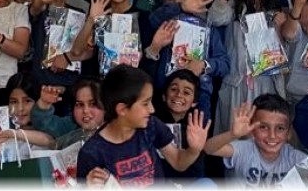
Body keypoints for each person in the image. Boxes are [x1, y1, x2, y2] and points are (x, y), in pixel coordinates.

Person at [207, 0, 303, 133]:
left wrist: (297, 6)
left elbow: (291, 36)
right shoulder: (234, 7)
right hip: (238, 86)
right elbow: (215, 18)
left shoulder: (276, 11)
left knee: (266, 138)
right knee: (235, 144)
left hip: (268, 85)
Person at [76, 66, 209, 186]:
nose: (152, 109)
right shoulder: (92, 153)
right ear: (122, 109)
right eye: (145, 103)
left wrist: (194, 150)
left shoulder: (151, 126)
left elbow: (178, 162)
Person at [144, 0, 230, 114]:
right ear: (163, 0)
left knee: (197, 135)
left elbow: (224, 64)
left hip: (200, 95)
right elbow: (153, 19)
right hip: (164, 93)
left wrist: (204, 65)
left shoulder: (207, 25)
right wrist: (180, 7)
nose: (177, 0)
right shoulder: (161, 21)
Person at [206, 95, 308, 187]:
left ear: (288, 133)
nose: (272, 135)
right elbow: (208, 148)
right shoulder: (244, 150)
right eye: (263, 127)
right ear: (252, 129)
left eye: (280, 128)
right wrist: (232, 134)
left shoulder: (294, 157)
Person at [29, 0, 92, 116]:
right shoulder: (36, 10)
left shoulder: (80, 15)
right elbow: (34, 10)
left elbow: (89, 51)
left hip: (71, 90)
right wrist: (41, 0)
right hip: (39, 89)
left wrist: (68, 57)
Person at [70, 0, 155, 76]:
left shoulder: (143, 18)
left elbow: (147, 57)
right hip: (99, 87)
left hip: (131, 86)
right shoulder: (97, 15)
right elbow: (76, 51)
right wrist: (91, 19)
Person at [152, 69, 208, 180]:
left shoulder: (196, 126)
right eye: (173, 89)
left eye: (186, 92)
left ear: (194, 102)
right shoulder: (152, 121)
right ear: (164, 96)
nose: (178, 95)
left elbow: (197, 171)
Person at [31, 80, 107, 149]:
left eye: (93, 104)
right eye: (80, 104)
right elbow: (45, 124)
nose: (85, 110)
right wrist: (44, 103)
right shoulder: (72, 125)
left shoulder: (115, 135)